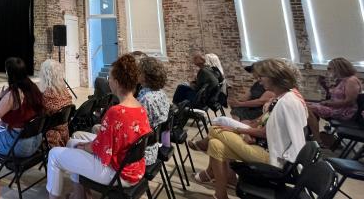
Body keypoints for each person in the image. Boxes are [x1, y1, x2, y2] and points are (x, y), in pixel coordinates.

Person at [192, 59, 307, 199]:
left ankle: (206, 161)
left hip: (275, 157)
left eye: (262, 77)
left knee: (215, 130)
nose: (259, 81)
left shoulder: (287, 102)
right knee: (215, 144)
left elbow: (268, 133)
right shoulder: (283, 98)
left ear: (274, 77)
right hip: (265, 146)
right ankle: (220, 194)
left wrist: (238, 131)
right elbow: (268, 127)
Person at [46, 54, 152, 199]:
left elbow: (102, 149)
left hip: (117, 173)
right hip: (133, 168)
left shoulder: (116, 112)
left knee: (54, 154)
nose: (108, 82)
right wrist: (83, 145)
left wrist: (83, 147)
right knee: (71, 142)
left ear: (117, 82)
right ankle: (81, 195)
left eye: (110, 78)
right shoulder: (139, 106)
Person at [307, 58, 362, 146]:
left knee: (307, 108)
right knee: (305, 104)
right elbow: (337, 98)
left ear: (338, 68)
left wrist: (329, 103)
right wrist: (328, 101)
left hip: (345, 111)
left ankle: (318, 139)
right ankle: (311, 133)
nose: (328, 71)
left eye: (330, 68)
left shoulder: (351, 81)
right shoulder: (344, 80)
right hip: (337, 108)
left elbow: (349, 101)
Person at [137, 57, 170, 166]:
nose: (137, 73)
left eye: (139, 71)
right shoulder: (162, 93)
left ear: (146, 76)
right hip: (155, 146)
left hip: (141, 154)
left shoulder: (146, 99)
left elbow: (135, 129)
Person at [39, 59, 73, 148]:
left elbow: (39, 117)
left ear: (45, 75)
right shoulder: (65, 91)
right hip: (65, 132)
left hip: (51, 136)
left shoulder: (46, 95)